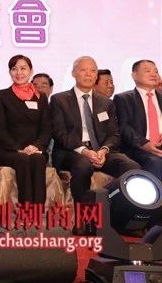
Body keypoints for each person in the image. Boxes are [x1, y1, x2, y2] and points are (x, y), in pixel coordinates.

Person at [51, 56, 139, 216]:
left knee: (131, 167)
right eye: (83, 70)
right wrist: (84, 151)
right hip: (71, 152)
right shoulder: (59, 99)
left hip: (100, 151)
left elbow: (114, 135)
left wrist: (104, 150)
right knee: (83, 165)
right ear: (73, 73)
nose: (88, 74)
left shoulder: (106, 102)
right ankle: (83, 217)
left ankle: (119, 215)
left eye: (92, 71)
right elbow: (60, 133)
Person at [0, 55, 51, 203]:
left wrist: (36, 146)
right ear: (10, 72)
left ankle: (37, 209)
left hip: (35, 149)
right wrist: (18, 148)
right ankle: (26, 208)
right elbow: (0, 129)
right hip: (9, 149)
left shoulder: (41, 97)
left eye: (23, 68)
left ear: (31, 71)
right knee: (23, 159)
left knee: (38, 159)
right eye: (14, 69)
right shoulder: (2, 95)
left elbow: (46, 129)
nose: (19, 73)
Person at [114, 60, 162, 181]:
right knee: (155, 162)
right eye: (148, 71)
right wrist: (144, 144)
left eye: (156, 71)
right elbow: (123, 127)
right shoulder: (123, 99)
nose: (153, 74)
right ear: (134, 75)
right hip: (138, 148)